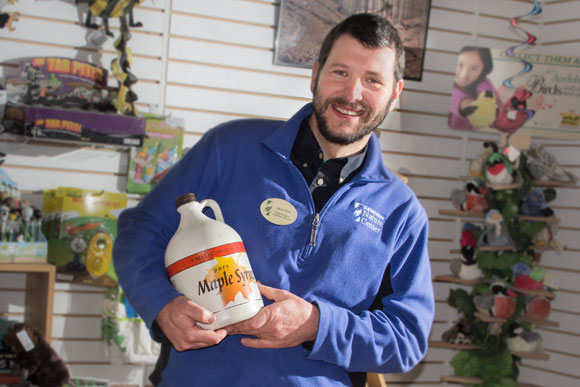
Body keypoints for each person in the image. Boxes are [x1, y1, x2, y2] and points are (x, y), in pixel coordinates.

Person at [113, 13, 434, 387]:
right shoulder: (229, 148)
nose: (352, 94)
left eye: (373, 80)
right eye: (340, 73)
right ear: (314, 74)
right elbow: (142, 231)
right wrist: (162, 305)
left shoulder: (402, 212)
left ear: (394, 94)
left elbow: (407, 338)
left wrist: (317, 325)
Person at [448, 46, 500, 130]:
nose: (464, 75)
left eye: (474, 68)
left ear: (484, 69)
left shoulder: (483, 81)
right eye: (460, 65)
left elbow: (488, 92)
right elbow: (453, 97)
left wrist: (490, 105)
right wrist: (468, 105)